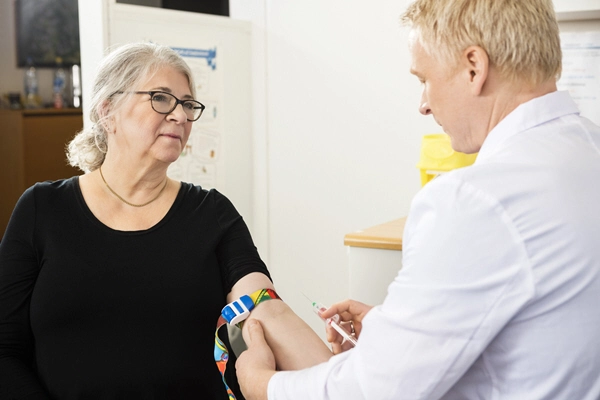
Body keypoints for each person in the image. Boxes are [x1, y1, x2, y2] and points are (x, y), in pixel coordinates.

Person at [235, 0, 600, 399]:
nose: (423, 104)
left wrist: (264, 386)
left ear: (474, 67)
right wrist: (403, 334)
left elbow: (378, 392)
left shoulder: (474, 200)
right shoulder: (587, 149)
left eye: (424, 79)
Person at [0, 42, 331, 400]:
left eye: (188, 104)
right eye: (161, 98)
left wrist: (347, 382)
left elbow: (266, 308)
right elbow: (4, 349)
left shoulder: (212, 213)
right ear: (107, 110)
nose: (180, 115)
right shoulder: (42, 210)